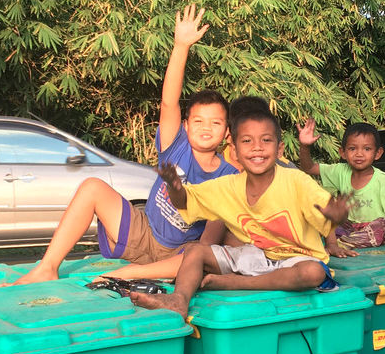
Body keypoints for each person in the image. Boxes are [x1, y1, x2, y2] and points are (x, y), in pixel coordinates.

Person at [6, 4, 237, 286]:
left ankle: (126, 274)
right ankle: (47, 267)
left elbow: (208, 244)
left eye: (215, 123)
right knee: (92, 187)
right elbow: (169, 102)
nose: (206, 128)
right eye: (198, 121)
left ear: (227, 132)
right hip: (143, 233)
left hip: (178, 254)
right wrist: (181, 46)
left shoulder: (229, 177)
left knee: (200, 255)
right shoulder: (175, 146)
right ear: (186, 126)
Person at [128, 108, 352, 317]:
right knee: (195, 251)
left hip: (296, 260)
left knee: (313, 273)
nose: (257, 147)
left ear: (279, 148)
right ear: (234, 149)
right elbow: (186, 202)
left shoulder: (296, 181)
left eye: (266, 140)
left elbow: (329, 213)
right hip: (256, 256)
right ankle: (179, 300)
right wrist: (175, 188)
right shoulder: (228, 185)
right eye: (247, 141)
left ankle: (233, 282)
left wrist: (338, 214)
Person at [295, 119, 385, 257]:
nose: (359, 154)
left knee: (382, 225)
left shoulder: (383, 180)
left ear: (377, 153)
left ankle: (334, 244)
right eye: (352, 149)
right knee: (326, 214)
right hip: (350, 229)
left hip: (376, 232)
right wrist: (304, 147)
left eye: (367, 149)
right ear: (342, 152)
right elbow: (309, 168)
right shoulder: (340, 171)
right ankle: (334, 243)